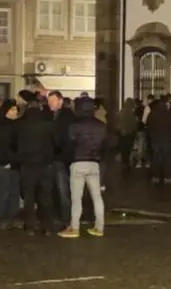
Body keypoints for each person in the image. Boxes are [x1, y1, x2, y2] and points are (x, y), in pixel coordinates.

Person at [61, 96, 109, 238]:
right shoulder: (101, 125)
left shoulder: (74, 125)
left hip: (78, 162)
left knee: (76, 198)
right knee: (97, 197)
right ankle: (99, 227)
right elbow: (105, 145)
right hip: (94, 162)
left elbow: (69, 145)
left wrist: (68, 159)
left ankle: (74, 227)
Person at [14, 95, 58, 234]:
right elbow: (55, 143)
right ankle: (47, 225)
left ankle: (30, 225)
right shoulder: (47, 125)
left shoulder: (20, 125)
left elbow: (14, 143)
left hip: (27, 164)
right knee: (45, 197)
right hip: (44, 164)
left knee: (29, 197)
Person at [0, 100, 21, 229]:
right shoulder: (0, 126)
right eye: (12, 109)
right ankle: (2, 217)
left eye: (16, 110)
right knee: (5, 191)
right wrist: (6, 160)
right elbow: (0, 146)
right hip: (4, 162)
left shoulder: (17, 125)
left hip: (15, 163)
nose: (15, 112)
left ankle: (12, 216)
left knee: (14, 191)